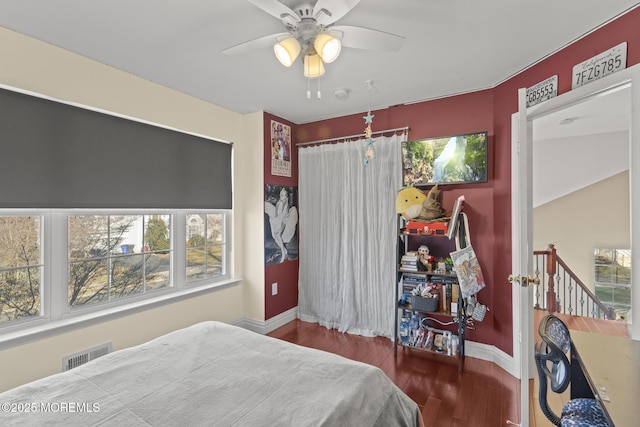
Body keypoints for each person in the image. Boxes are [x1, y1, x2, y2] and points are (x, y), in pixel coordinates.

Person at [265, 187, 298, 262]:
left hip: (284, 223)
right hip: (278, 221)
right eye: (281, 195)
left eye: (283, 195)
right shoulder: (279, 203)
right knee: (276, 235)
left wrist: (280, 229)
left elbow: (285, 218)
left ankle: (283, 253)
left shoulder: (286, 205)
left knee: (279, 235)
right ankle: (284, 251)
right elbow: (277, 214)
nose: (282, 197)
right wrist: (276, 224)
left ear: (286, 196)